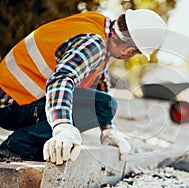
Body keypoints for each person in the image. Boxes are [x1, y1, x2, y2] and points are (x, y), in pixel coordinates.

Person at [0, 9, 167, 164]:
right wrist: (62, 126)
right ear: (129, 51)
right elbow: (62, 79)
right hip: (11, 104)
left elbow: (101, 81)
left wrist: (108, 130)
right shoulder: (94, 44)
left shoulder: (99, 26)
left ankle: (36, 148)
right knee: (101, 105)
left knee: (104, 104)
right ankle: (16, 147)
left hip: (16, 98)